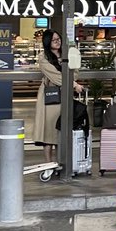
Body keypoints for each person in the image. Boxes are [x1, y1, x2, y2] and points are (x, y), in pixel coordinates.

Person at [33, 28, 84, 162]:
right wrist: (73, 84)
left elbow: (76, 71)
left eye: (58, 39)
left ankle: (61, 161)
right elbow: (56, 78)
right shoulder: (43, 57)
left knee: (62, 129)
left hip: (65, 94)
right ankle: (49, 164)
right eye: (54, 40)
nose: (57, 42)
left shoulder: (66, 54)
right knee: (49, 129)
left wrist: (71, 80)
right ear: (47, 41)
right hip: (51, 95)